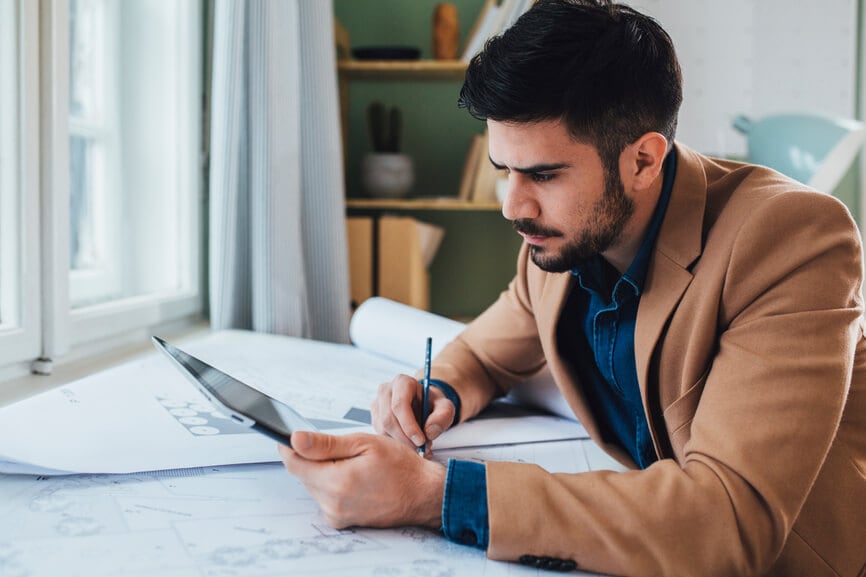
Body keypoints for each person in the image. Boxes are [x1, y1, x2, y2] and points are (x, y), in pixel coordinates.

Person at [280, 0, 866, 575]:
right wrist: (437, 393)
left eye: (541, 174)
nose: (512, 206)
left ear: (642, 160)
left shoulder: (792, 238)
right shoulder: (560, 237)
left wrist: (432, 493)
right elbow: (485, 354)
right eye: (503, 170)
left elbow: (730, 520)